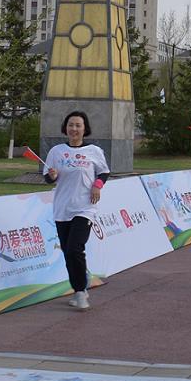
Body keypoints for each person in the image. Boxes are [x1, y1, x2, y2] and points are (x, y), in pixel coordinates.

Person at [44, 110, 109, 311]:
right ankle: (80, 283)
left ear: (84, 128)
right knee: (68, 252)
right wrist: (52, 176)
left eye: (78, 125)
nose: (74, 129)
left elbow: (104, 172)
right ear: (65, 128)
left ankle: (80, 291)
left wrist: (97, 185)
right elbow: (48, 177)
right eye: (71, 125)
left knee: (74, 248)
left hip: (85, 207)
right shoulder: (56, 151)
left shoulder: (94, 151)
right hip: (62, 208)